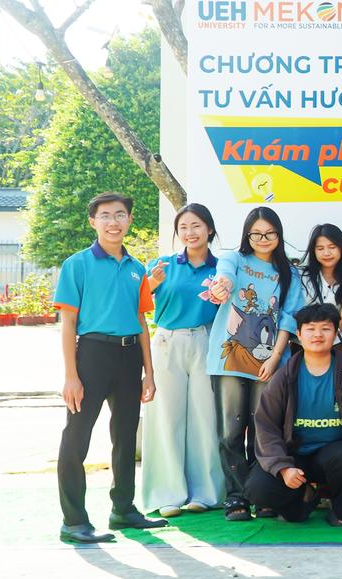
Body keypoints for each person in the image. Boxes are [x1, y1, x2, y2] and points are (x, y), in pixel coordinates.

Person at [52, 192, 162, 544]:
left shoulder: (136, 268)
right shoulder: (77, 265)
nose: (113, 222)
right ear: (93, 222)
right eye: (105, 215)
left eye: (119, 215)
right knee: (77, 436)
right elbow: (68, 323)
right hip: (92, 355)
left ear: (129, 220)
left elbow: (141, 321)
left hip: (130, 358)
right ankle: (73, 521)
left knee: (126, 435)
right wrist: (71, 375)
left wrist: (149, 372)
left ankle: (123, 510)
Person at [206, 207, 305, 522]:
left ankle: (262, 494)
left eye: (269, 233)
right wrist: (221, 285)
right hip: (229, 359)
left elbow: (289, 318)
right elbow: (224, 276)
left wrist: (275, 358)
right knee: (231, 431)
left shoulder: (290, 273)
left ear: (279, 235)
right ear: (247, 235)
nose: (263, 239)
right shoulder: (234, 259)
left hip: (270, 361)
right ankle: (236, 497)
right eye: (256, 234)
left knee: (264, 432)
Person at [245, 303, 342, 527]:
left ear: (336, 333)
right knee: (257, 489)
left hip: (334, 455)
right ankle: (302, 501)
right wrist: (283, 467)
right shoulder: (284, 377)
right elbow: (266, 427)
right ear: (299, 334)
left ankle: (340, 506)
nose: (318, 335)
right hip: (294, 457)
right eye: (310, 329)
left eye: (325, 328)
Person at [140, 203, 225, 519]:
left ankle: (207, 492)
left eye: (196, 226)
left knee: (205, 417)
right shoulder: (162, 265)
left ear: (210, 229)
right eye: (184, 227)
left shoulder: (222, 269)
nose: (190, 233)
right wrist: (151, 285)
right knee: (166, 417)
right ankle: (167, 493)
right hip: (167, 342)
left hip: (206, 340)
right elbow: (138, 303)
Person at [299, 223, 342, 343]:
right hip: (304, 347)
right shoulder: (301, 277)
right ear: (313, 251)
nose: (326, 253)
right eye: (320, 248)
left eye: (332, 247)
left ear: (341, 248)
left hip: (332, 348)